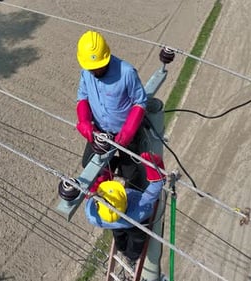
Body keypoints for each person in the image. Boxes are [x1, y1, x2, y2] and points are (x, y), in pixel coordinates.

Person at [75, 30, 147, 192]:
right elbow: (83, 97)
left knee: (132, 173)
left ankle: (135, 195)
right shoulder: (86, 72)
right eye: (91, 68)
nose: (95, 71)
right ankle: (108, 177)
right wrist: (85, 121)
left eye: (98, 67)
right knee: (89, 164)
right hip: (100, 131)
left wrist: (128, 131)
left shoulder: (126, 72)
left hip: (127, 133)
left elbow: (140, 102)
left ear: (106, 57)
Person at [85, 152, 165, 264]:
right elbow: (158, 182)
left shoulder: (93, 214)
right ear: (124, 200)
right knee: (138, 239)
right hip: (133, 223)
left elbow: (91, 193)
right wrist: (154, 163)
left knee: (118, 233)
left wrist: (110, 165)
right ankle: (132, 257)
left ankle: (122, 249)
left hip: (113, 223)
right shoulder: (140, 209)